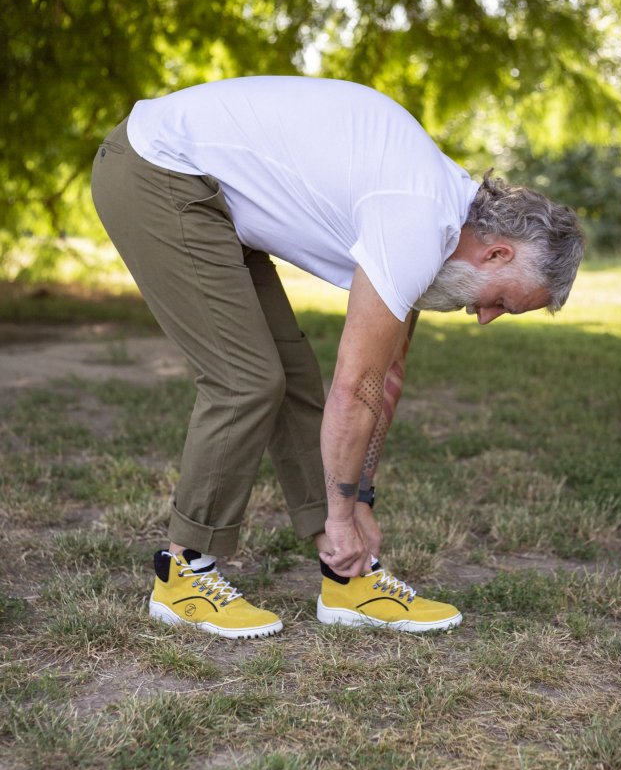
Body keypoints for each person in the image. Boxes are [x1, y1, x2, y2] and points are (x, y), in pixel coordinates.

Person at [91, 76, 584, 640]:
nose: (484, 317)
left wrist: (359, 499)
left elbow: (385, 374)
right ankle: (181, 573)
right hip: (156, 170)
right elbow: (356, 389)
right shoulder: (417, 220)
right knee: (244, 380)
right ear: (498, 251)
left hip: (208, 192)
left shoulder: (446, 221)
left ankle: (345, 576)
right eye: (501, 302)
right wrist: (346, 512)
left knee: (294, 378)